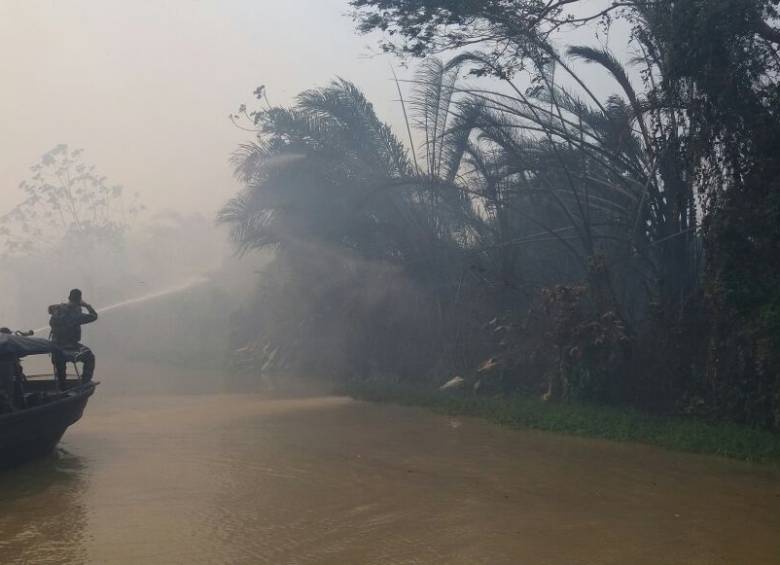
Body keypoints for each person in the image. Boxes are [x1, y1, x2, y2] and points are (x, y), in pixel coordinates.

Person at [49, 289, 98, 386]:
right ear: (79, 300)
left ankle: (62, 387)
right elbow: (94, 316)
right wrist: (87, 305)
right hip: (70, 348)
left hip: (55, 349)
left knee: (61, 373)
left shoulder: (58, 309)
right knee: (90, 357)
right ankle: (85, 383)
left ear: (69, 298)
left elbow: (50, 311)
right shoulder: (76, 315)